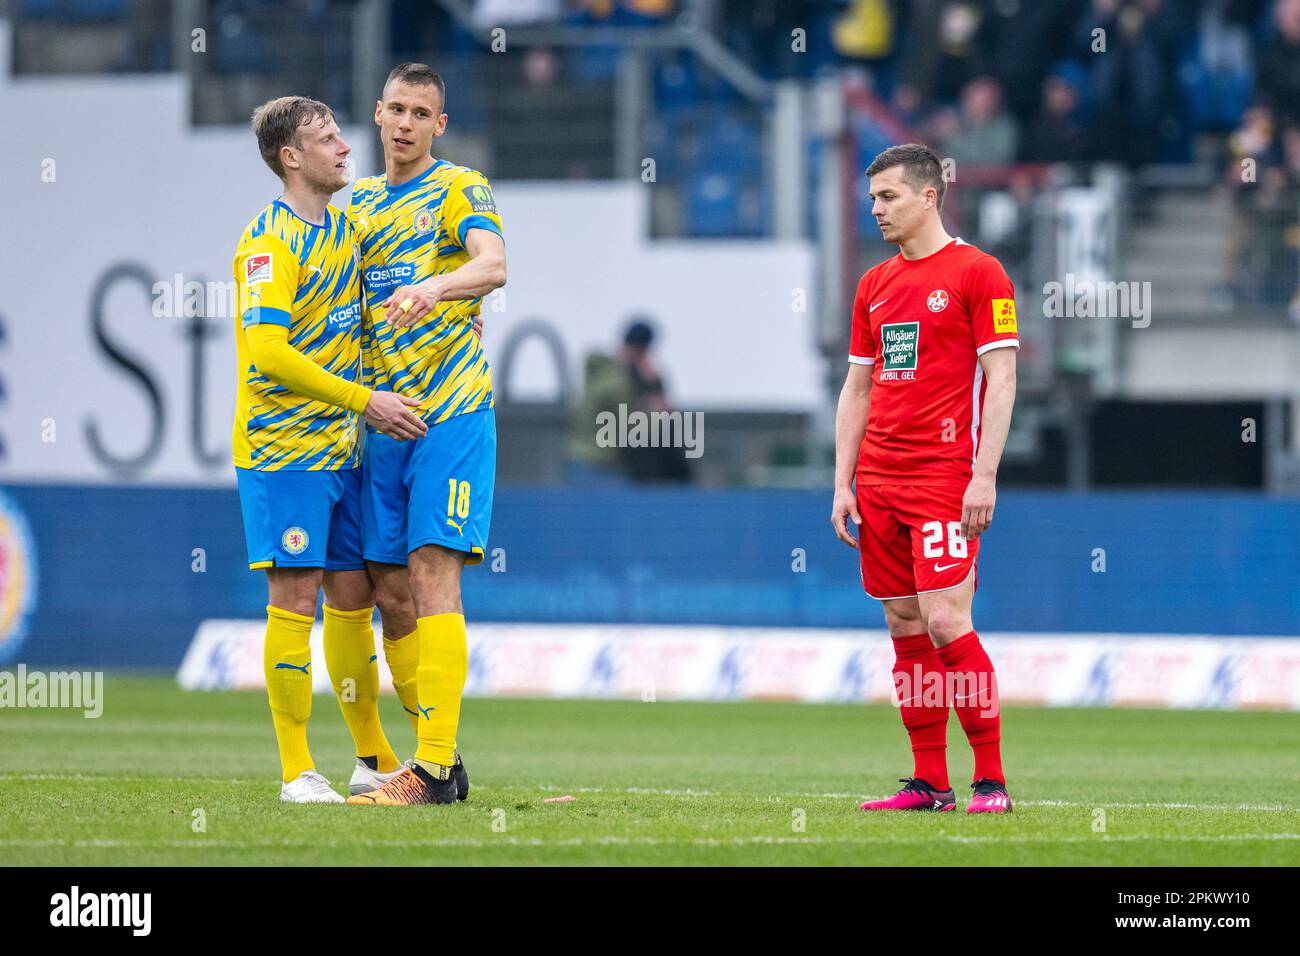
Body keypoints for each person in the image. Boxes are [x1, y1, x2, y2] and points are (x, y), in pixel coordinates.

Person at [231, 96, 428, 803]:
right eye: (327, 138)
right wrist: (362, 399)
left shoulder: (346, 230)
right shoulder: (267, 244)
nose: (347, 146)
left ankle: (373, 758)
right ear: (292, 157)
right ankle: (294, 771)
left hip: (343, 451)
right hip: (283, 453)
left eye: (343, 132)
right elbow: (268, 352)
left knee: (355, 594)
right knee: (294, 597)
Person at [830, 143, 1018, 814]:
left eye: (888, 197)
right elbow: (858, 389)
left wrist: (983, 475)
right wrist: (842, 482)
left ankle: (990, 779)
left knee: (945, 620)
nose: (875, 208)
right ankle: (929, 782)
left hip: (944, 479)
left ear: (929, 196)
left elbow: (1002, 378)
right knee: (905, 626)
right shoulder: (873, 285)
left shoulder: (978, 272)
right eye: (872, 197)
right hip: (878, 480)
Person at [345, 63, 507, 806]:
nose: (406, 123)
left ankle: (433, 769)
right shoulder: (357, 209)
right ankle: (433, 755)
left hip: (452, 415)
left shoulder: (460, 187)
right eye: (397, 109)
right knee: (389, 590)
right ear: (377, 115)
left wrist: (434, 288)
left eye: (422, 113)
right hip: (384, 422)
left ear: (440, 125)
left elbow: (493, 264)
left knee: (432, 570)